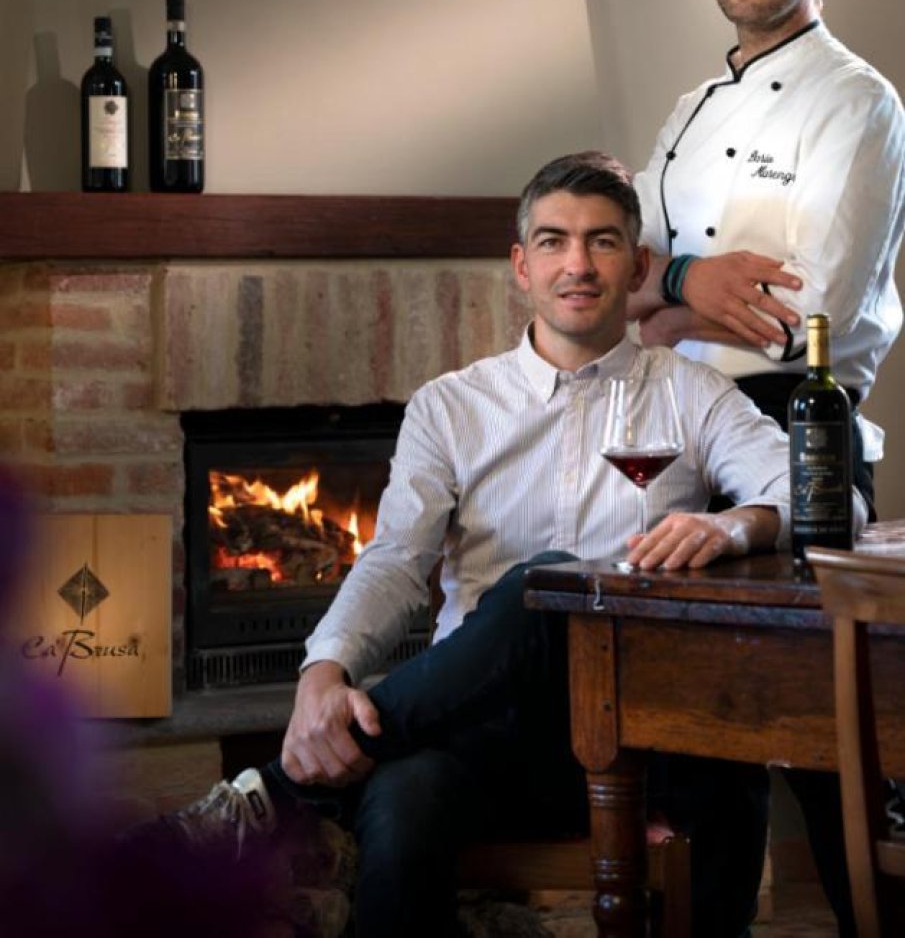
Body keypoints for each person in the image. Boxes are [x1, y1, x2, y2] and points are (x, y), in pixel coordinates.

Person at [143, 152, 865, 938]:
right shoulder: (449, 407)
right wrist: (325, 672)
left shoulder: (692, 395)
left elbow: (833, 502)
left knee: (557, 590)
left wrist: (731, 524)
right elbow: (394, 562)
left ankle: (282, 791)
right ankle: (312, 777)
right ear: (522, 266)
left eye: (602, 242)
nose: (577, 264)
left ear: (637, 268)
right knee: (407, 797)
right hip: (479, 732)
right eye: (553, 241)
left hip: (640, 735)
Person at [630, 0, 905, 933]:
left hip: (802, 441)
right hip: (681, 440)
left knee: (833, 752)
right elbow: (620, 277)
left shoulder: (859, 104)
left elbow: (810, 311)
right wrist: (686, 284)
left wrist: (667, 299)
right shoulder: (690, 107)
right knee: (701, 749)